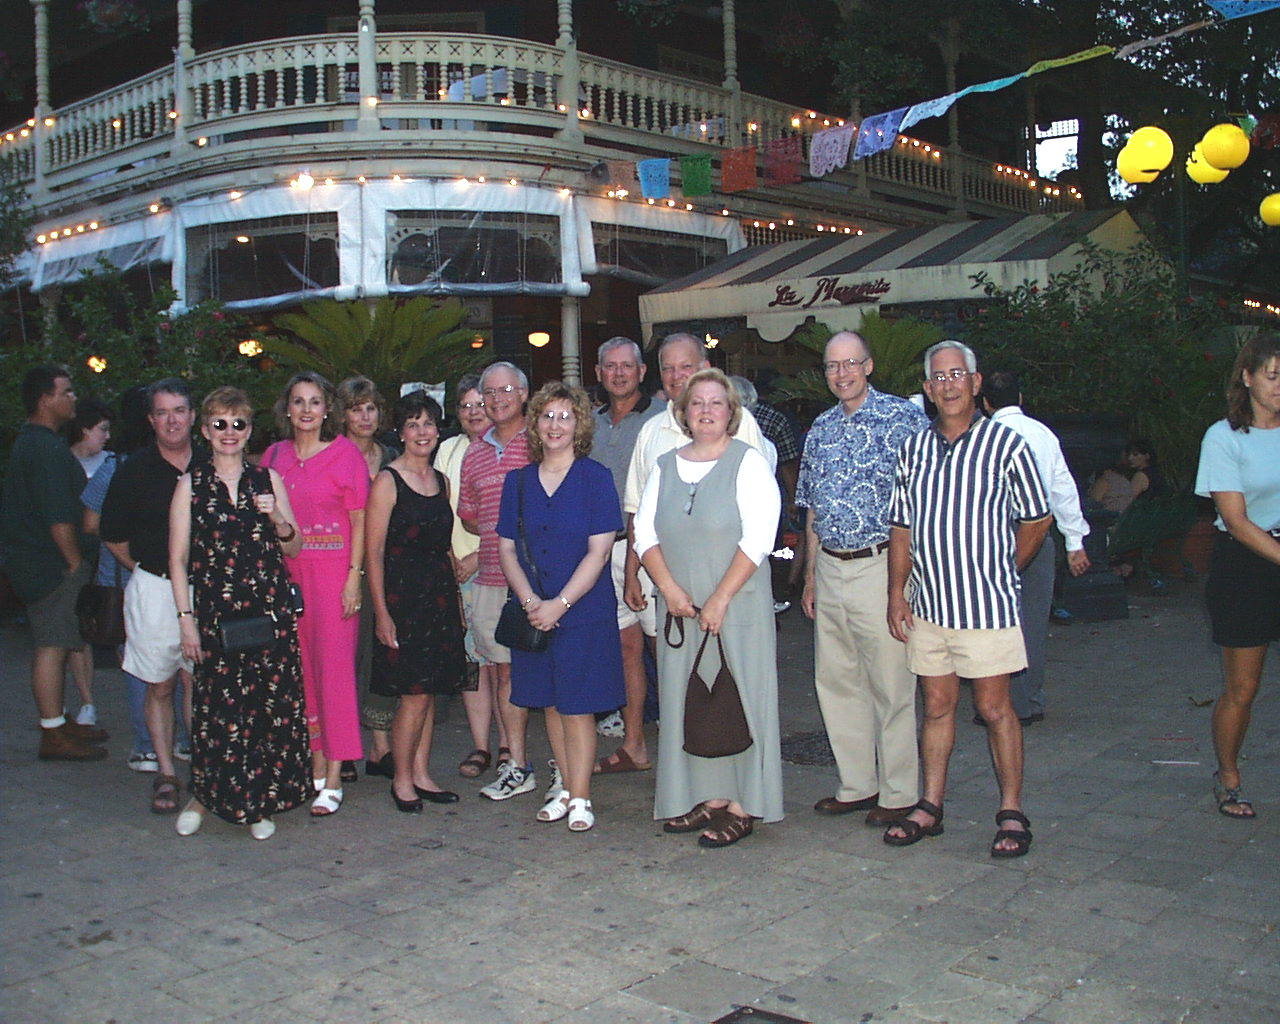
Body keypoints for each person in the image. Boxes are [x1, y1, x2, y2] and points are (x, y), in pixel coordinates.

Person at [885, 341, 1051, 859]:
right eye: (938, 377)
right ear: (928, 388)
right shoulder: (914, 449)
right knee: (936, 706)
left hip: (987, 608)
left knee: (995, 707)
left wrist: (1004, 568)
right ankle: (930, 806)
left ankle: (1011, 810)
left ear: (976, 383)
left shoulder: (1007, 445)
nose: (948, 384)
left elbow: (1037, 518)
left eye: (958, 374)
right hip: (929, 605)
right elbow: (901, 526)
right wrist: (897, 591)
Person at [635, 368, 783, 848]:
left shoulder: (749, 463)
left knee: (742, 698)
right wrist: (670, 591)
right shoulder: (664, 465)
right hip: (680, 605)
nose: (705, 410)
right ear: (682, 412)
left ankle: (744, 804)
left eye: (716, 402)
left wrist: (718, 600)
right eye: (696, 402)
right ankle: (706, 795)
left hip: (736, 605)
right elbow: (645, 534)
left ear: (731, 413)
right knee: (687, 699)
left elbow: (759, 536)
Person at [796, 331, 927, 826]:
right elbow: (812, 509)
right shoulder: (821, 429)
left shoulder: (903, 419)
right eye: (832, 366)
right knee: (837, 682)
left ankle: (899, 793)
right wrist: (809, 578)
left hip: (880, 564)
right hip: (830, 566)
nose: (841, 373)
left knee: (891, 684)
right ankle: (857, 784)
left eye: (850, 364)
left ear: (869, 366)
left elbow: (922, 503)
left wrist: (904, 582)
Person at [168, 387, 310, 840]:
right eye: (219, 424)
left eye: (239, 424)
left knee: (264, 708)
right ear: (205, 429)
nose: (229, 433)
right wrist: (185, 618)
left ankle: (256, 799)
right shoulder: (190, 485)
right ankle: (206, 795)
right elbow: (177, 559)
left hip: (267, 612)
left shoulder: (267, 479)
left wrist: (278, 521)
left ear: (250, 430)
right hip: (215, 615)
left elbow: (294, 545)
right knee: (216, 710)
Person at [498, 382, 625, 832]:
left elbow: (600, 551)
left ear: (580, 425)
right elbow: (508, 550)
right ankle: (567, 789)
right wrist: (534, 603)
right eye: (547, 416)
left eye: (565, 416)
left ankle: (583, 798)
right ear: (534, 424)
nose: (555, 425)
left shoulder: (595, 478)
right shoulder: (517, 482)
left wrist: (561, 604)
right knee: (550, 702)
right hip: (535, 611)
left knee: (577, 705)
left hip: (583, 610)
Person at [262, 372, 370, 817]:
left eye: (314, 402)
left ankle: (333, 775)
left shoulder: (346, 457)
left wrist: (353, 579)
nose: (306, 410)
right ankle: (310, 764)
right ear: (286, 409)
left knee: (334, 674)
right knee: (298, 673)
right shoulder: (274, 456)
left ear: (328, 410)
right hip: (287, 578)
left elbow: (361, 523)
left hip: (333, 579)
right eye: (298, 401)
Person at [101, 378, 204, 812]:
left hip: (207, 591)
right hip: (156, 589)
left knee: (198, 683)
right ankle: (165, 772)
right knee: (160, 684)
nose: (171, 420)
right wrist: (151, 573)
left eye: (178, 410)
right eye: (162, 413)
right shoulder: (134, 470)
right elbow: (113, 537)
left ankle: (204, 767)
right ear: (150, 420)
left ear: (192, 416)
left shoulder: (213, 463)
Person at [366, 390, 465, 813]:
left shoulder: (440, 481)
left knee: (432, 692)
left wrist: (456, 604)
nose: (422, 432)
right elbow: (372, 553)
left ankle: (422, 773)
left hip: (438, 597)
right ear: (401, 433)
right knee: (413, 695)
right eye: (413, 424)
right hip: (402, 600)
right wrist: (382, 614)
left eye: (428, 423)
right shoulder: (387, 481)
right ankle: (402, 778)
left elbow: (444, 547)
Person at [1194, 333, 1280, 820]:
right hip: (1245, 564)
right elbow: (1238, 519)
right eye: (1271, 376)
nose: (1279, 386)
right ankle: (1227, 776)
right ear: (1247, 378)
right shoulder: (1223, 437)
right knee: (1243, 688)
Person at [1, 366, 106, 760]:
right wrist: (74, 563)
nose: (73, 398)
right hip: (48, 566)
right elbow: (57, 517)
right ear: (46, 399)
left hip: (40, 562)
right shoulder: (43, 449)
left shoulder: (38, 443)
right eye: (67, 391)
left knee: (60, 642)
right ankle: (52, 732)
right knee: (51, 644)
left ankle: (59, 724)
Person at [981, 371, 1091, 725]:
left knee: (991, 622)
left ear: (985, 402)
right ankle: (1028, 700)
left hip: (993, 534)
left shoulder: (983, 437)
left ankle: (996, 702)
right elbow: (1063, 488)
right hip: (1038, 531)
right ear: (1021, 397)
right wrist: (1075, 541)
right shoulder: (1043, 434)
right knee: (1032, 621)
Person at [458, 362, 537, 801]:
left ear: (524, 394)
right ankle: (516, 764)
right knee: (504, 672)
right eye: (489, 392)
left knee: (548, 671)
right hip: (490, 578)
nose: (497, 398)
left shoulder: (542, 440)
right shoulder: (475, 452)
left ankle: (565, 769)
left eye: (506, 389)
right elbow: (469, 516)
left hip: (542, 580)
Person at [589, 338, 665, 775]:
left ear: (640, 372)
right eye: (610, 366)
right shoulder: (590, 424)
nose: (618, 374)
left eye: (627, 366)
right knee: (626, 649)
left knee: (664, 650)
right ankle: (635, 745)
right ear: (599, 373)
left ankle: (682, 745)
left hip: (649, 550)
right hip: (604, 549)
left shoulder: (661, 419)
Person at [435, 374, 509, 778]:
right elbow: (441, 509)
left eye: (480, 404)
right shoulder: (448, 449)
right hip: (457, 570)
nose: (473, 412)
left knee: (502, 663)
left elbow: (505, 517)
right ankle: (480, 745)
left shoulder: (512, 446)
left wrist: (481, 556)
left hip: (497, 570)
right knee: (473, 663)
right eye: (465, 406)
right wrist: (450, 559)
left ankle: (506, 745)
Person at [337, 375, 399, 781]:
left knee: (382, 659)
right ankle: (339, 750)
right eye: (357, 408)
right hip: (341, 569)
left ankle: (380, 747)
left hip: (390, 570)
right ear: (342, 415)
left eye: (371, 407)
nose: (365, 415)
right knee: (342, 660)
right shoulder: (333, 455)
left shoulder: (392, 456)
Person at [63, 396, 115, 726]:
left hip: (109, 558)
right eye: (102, 429)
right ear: (84, 430)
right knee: (78, 629)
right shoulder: (65, 465)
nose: (107, 436)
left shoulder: (112, 463)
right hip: (79, 557)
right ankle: (86, 700)